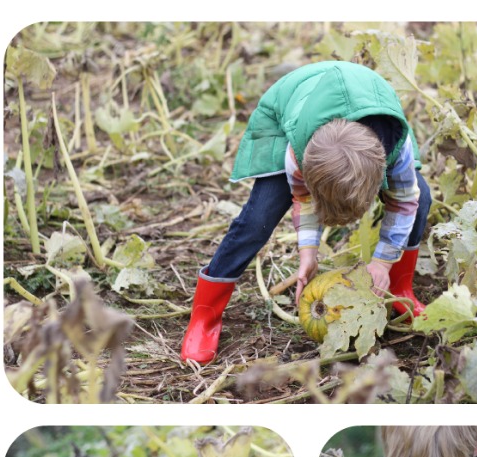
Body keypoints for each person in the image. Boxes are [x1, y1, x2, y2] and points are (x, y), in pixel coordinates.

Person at [181, 60, 431, 363]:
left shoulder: (396, 147)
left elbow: (404, 202)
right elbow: (302, 196)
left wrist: (381, 263)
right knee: (258, 218)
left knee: (422, 199)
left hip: (371, 109)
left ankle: (402, 290)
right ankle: (205, 318)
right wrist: (308, 252)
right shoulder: (298, 152)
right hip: (290, 108)